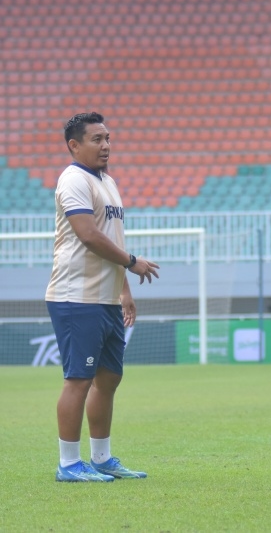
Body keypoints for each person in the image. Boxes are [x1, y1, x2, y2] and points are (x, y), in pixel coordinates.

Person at [49, 112, 160, 483]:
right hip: (76, 296)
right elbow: (89, 236)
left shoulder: (107, 181)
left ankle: (101, 457)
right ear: (74, 145)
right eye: (96, 139)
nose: (106, 145)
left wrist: (123, 290)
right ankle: (68, 463)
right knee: (78, 378)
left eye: (108, 138)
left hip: (106, 298)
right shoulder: (73, 180)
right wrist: (132, 263)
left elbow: (112, 238)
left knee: (109, 378)